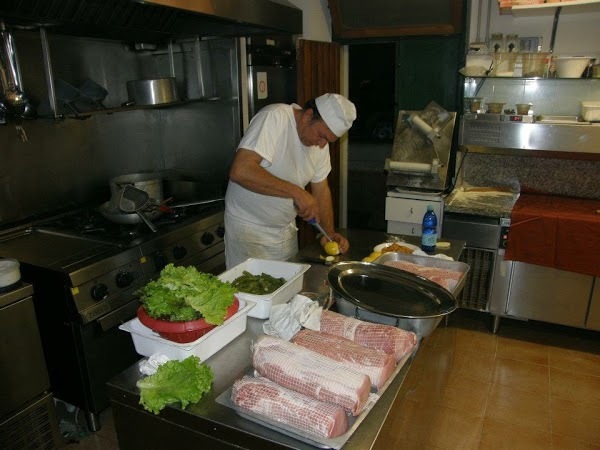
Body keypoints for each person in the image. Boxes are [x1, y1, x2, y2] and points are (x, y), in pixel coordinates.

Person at [224, 93, 356, 268]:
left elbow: (321, 190)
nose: (322, 144)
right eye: (322, 136)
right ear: (308, 115)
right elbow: (240, 170)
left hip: (285, 232)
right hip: (249, 232)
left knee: (287, 291)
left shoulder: (319, 144)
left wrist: (329, 233)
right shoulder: (275, 117)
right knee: (249, 294)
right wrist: (296, 191)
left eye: (328, 141)